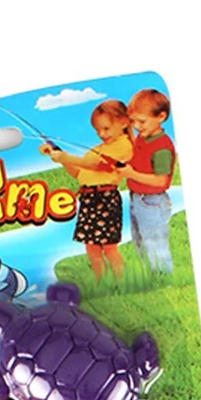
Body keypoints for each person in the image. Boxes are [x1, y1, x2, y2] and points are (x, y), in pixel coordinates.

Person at [41, 99, 133, 282]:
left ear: (123, 122)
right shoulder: (96, 149)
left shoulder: (124, 145)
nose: (101, 134)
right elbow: (79, 173)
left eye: (106, 128)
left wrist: (67, 157)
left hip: (105, 198)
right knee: (91, 247)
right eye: (98, 130)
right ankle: (102, 284)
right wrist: (59, 157)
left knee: (109, 247)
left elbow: (96, 164)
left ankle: (121, 282)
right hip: (89, 199)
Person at [117, 88, 176, 273]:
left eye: (141, 121)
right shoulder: (144, 137)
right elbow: (138, 157)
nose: (136, 126)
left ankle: (164, 278)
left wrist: (131, 174)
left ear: (161, 117)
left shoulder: (162, 147)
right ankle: (152, 276)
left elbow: (161, 181)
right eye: (133, 121)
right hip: (137, 199)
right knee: (140, 241)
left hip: (152, 202)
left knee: (155, 243)